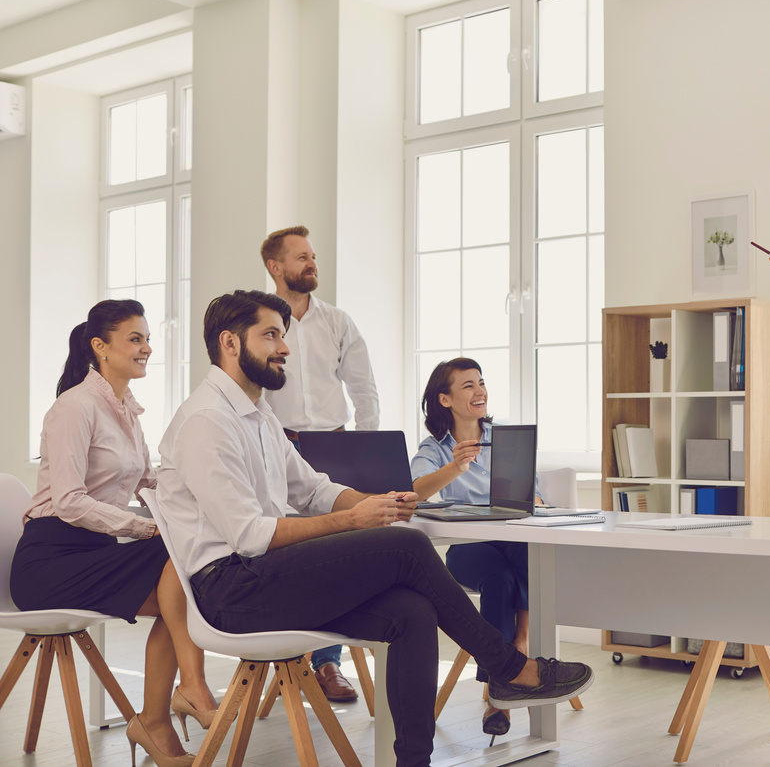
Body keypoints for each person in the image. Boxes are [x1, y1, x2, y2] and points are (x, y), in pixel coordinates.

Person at [155, 290, 593, 767]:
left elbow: (315, 489)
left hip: (266, 578)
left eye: (284, 335)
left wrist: (376, 503)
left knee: (413, 612)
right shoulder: (206, 421)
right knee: (405, 548)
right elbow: (250, 536)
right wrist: (352, 521)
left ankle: (413, 761)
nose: (284, 348)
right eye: (271, 335)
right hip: (232, 591)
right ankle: (510, 668)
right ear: (230, 342)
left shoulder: (258, 416)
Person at [11, 300, 219, 767]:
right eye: (136, 339)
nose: (147, 348)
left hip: (94, 550)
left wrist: (207, 492)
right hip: (51, 559)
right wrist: (144, 527)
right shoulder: (74, 407)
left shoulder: (127, 409)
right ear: (99, 347)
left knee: (182, 583)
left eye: (147, 338)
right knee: (176, 568)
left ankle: (159, 717)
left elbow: (149, 480)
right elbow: (67, 501)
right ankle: (189, 691)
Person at [259, 224, 380, 701]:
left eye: (313, 256)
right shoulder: (261, 322)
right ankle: (285, 653)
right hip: (277, 445)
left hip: (334, 447)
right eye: (301, 257)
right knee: (284, 552)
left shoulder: (337, 321)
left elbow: (364, 389)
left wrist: (365, 451)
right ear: (275, 266)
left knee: (338, 557)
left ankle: (328, 665)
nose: (311, 264)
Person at [410, 358, 532, 740]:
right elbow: (413, 492)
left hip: (512, 541)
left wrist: (536, 499)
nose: (480, 391)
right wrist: (456, 467)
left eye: (481, 382)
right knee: (499, 574)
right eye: (467, 386)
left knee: (519, 561)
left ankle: (513, 655)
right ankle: (512, 664)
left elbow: (534, 492)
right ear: (444, 399)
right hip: (466, 548)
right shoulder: (434, 448)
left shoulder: (506, 438)